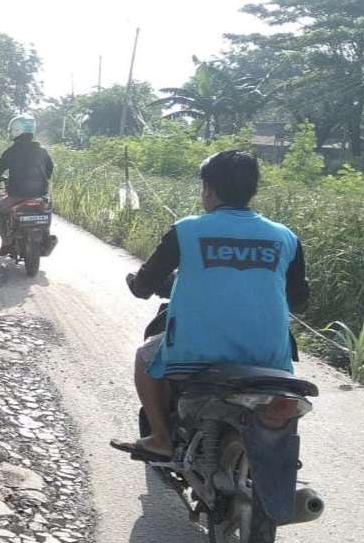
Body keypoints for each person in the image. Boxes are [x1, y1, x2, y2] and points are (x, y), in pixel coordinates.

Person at [110, 150, 310, 461]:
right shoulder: (285, 237)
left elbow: (144, 287)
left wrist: (135, 282)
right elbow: (299, 300)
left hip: (195, 353)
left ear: (208, 188)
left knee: (144, 358)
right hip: (269, 358)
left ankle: (161, 438)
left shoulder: (187, 229)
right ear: (252, 191)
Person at [0, 115, 54, 255]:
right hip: (40, 195)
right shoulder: (42, 151)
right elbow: (49, 170)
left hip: (17, 195)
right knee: (47, 209)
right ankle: (46, 235)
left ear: (16, 130)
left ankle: (6, 242)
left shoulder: (10, 152)